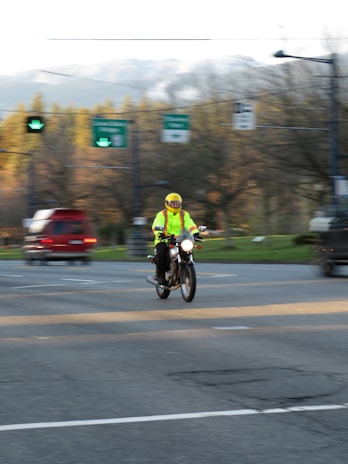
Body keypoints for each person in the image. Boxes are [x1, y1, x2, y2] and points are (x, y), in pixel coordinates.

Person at [152, 192, 201, 285]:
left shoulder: (184, 214)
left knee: (187, 251)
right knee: (162, 254)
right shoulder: (162, 214)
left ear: (181, 203)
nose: (175, 205)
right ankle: (160, 276)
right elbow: (157, 225)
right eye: (173, 203)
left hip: (180, 239)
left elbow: (190, 224)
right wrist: (160, 233)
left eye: (177, 203)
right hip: (164, 239)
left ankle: (185, 270)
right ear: (167, 203)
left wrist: (195, 233)